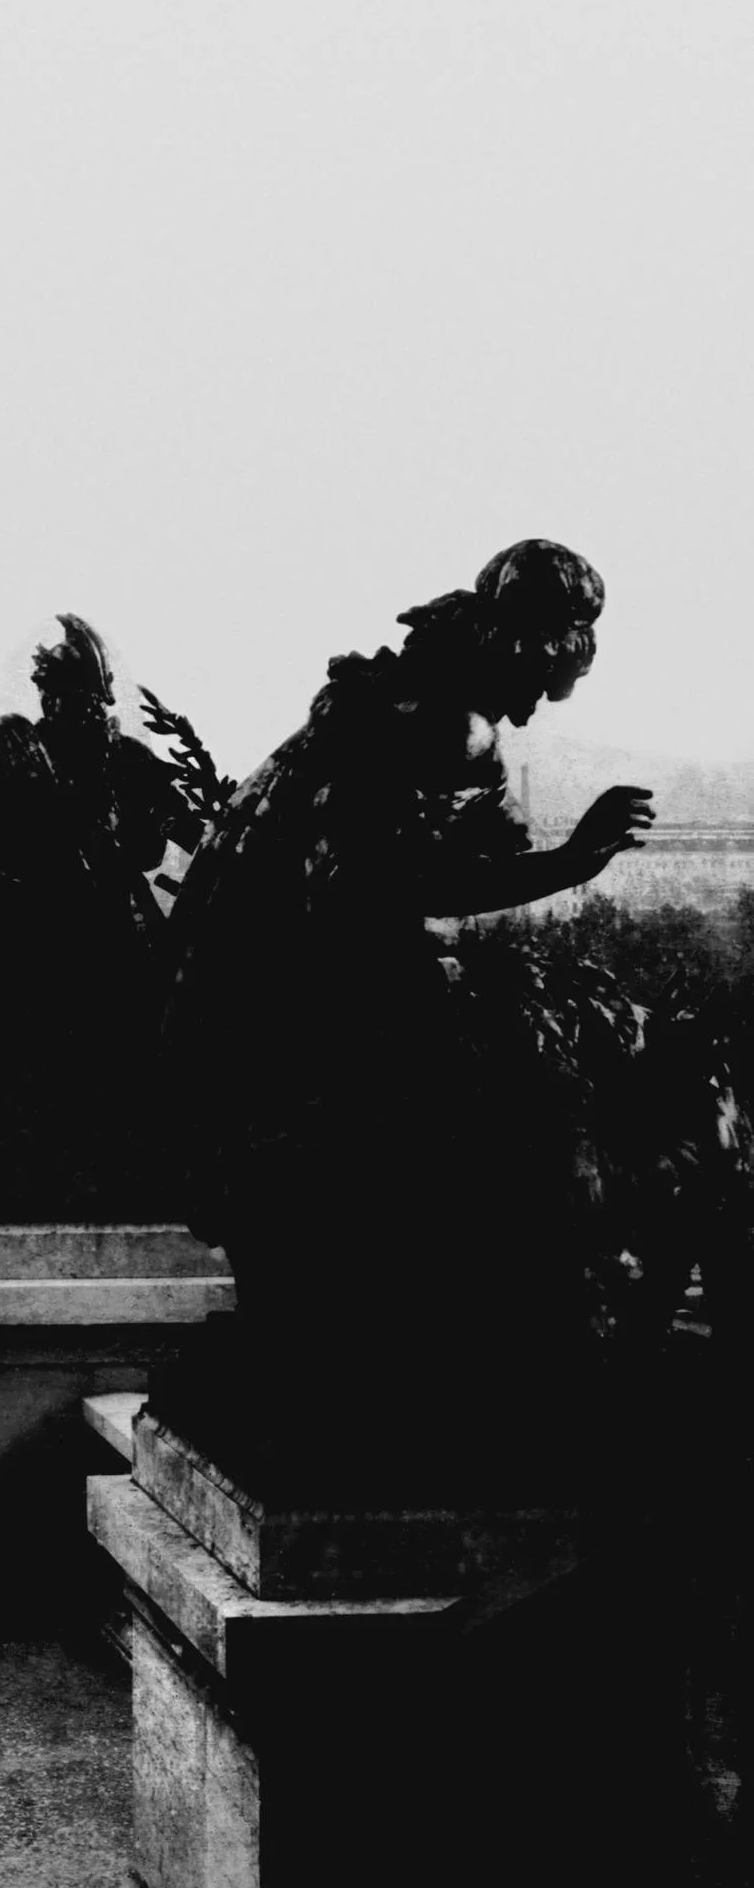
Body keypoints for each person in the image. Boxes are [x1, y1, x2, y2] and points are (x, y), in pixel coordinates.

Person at [155, 537, 654, 1492]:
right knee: (529, 1104)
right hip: (312, 1008)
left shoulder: (395, 698)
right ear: (526, 644)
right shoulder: (442, 723)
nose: (543, 704)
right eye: (551, 676)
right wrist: (572, 861)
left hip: (250, 1006)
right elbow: (383, 886)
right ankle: (492, 1365)